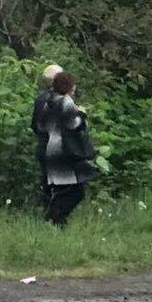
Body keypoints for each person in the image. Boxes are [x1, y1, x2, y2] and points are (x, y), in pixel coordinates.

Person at [41, 71, 100, 226]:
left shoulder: (48, 101)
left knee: (61, 189)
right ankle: (53, 219)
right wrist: (81, 114)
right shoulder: (66, 101)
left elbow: (42, 125)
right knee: (75, 192)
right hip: (66, 150)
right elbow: (72, 124)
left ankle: (57, 221)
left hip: (51, 147)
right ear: (69, 86)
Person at [30, 64, 63, 209]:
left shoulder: (39, 99)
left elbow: (34, 125)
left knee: (46, 180)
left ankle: (46, 210)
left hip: (43, 145)